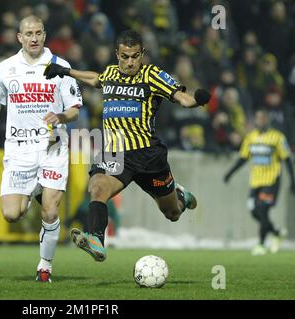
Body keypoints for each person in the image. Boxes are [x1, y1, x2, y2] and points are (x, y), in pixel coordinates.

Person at [44, 30, 211, 262]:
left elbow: (182, 98)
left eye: (134, 56)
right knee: (98, 187)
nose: (130, 62)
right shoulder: (111, 72)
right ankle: (96, 239)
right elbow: (95, 79)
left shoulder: (153, 75)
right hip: (115, 152)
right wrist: (65, 71)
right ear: (117, 54)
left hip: (148, 156)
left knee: (172, 213)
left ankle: (180, 196)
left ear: (142, 54)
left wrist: (197, 100)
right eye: (125, 56)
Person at [0, 15, 82, 282]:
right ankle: (36, 188)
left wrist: (60, 116)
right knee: (11, 214)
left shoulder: (61, 66)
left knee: (50, 209)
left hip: (53, 148)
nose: (34, 38)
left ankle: (45, 266)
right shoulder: (5, 68)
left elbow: (75, 109)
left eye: (38, 33)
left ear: (45, 35)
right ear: (19, 38)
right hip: (19, 150)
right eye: (28, 34)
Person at [224, 109, 295, 255]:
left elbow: (287, 159)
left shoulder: (277, 137)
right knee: (254, 211)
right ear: (255, 120)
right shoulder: (250, 137)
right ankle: (276, 232)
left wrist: (292, 181)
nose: (260, 121)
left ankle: (261, 244)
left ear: (267, 120)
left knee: (262, 209)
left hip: (271, 181)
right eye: (258, 118)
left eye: (263, 118)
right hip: (255, 182)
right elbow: (243, 158)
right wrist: (230, 173)